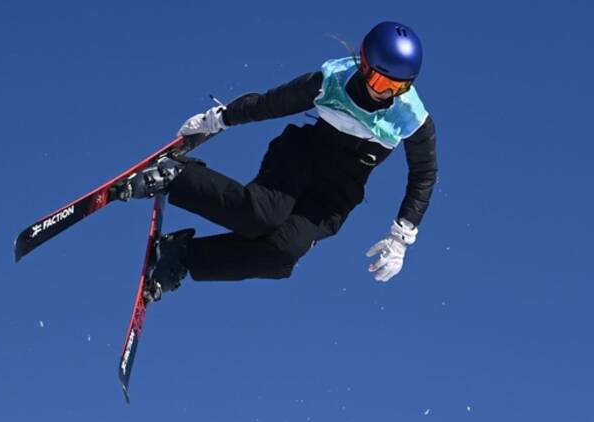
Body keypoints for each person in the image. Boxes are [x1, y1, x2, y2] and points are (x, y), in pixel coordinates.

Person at [120, 21, 438, 301]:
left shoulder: (411, 117)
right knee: (260, 215)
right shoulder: (330, 83)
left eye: (400, 87)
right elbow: (270, 103)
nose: (389, 95)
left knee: (283, 256)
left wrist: (401, 238)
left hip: (335, 195)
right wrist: (219, 119)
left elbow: (424, 173)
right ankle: (177, 176)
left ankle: (181, 255)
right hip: (303, 157)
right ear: (365, 66)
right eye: (384, 84)